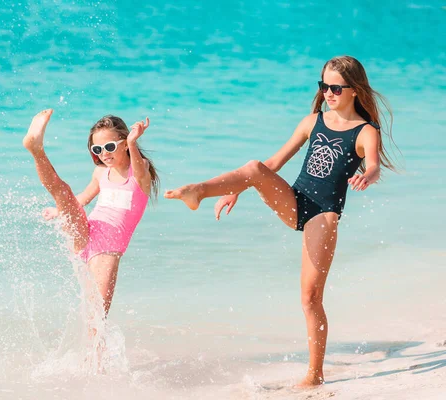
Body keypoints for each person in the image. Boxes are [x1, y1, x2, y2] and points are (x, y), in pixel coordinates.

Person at [164, 56, 397, 387]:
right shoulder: (311, 121)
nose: (328, 93)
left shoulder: (365, 131)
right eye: (323, 86)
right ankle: (198, 191)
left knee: (309, 299)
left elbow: (372, 165)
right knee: (255, 166)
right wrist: (238, 189)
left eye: (335, 88)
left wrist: (369, 177)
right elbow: (274, 162)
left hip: (324, 214)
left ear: (354, 90)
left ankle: (314, 376)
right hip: (295, 200)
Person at [23, 109, 159, 319]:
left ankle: (92, 354)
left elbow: (139, 166)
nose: (104, 153)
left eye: (110, 147)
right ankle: (36, 149)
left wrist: (133, 141)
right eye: (98, 149)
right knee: (62, 191)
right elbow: (82, 199)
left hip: (107, 248)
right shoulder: (100, 172)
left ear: (124, 143)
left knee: (96, 316)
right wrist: (60, 209)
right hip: (87, 233)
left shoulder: (139, 173)